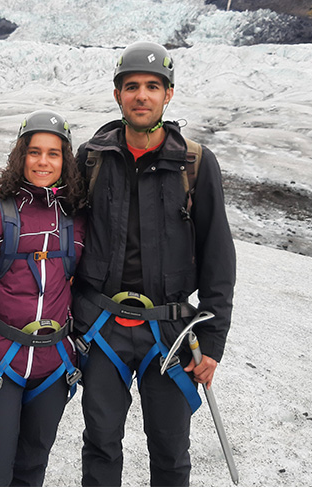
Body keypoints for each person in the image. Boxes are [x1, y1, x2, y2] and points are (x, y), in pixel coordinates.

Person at [72, 42, 235, 487]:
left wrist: (213, 341)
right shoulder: (91, 157)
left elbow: (219, 256)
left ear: (169, 94)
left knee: (169, 450)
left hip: (170, 332)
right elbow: (52, 219)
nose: (141, 95)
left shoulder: (195, 163)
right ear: (117, 95)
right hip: (102, 328)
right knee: (101, 443)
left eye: (151, 86)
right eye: (131, 87)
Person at [0, 109, 87, 487]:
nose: (43, 161)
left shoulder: (75, 216)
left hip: (54, 366)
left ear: (65, 160)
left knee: (31, 468)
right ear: (20, 155)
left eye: (53, 153)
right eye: (34, 151)